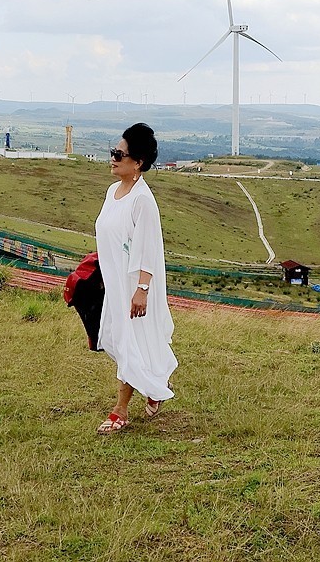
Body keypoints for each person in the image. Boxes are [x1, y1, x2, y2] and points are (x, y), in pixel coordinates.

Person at [93, 122, 176, 434]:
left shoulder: (143, 200)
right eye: (113, 152)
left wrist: (141, 289)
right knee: (124, 341)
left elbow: (148, 248)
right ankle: (155, 386)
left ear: (137, 162)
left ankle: (120, 410)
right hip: (115, 284)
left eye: (119, 154)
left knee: (130, 344)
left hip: (135, 287)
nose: (112, 158)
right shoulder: (112, 192)